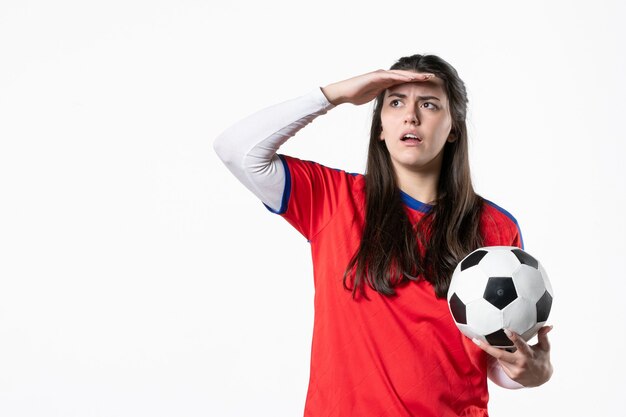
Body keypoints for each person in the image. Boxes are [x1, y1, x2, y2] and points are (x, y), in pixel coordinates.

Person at [213, 54, 553, 417]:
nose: (411, 115)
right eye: (395, 102)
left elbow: (495, 356)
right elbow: (237, 150)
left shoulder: (495, 227)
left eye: (429, 104)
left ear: (453, 127)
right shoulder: (332, 199)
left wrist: (530, 372)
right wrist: (335, 95)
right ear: (379, 126)